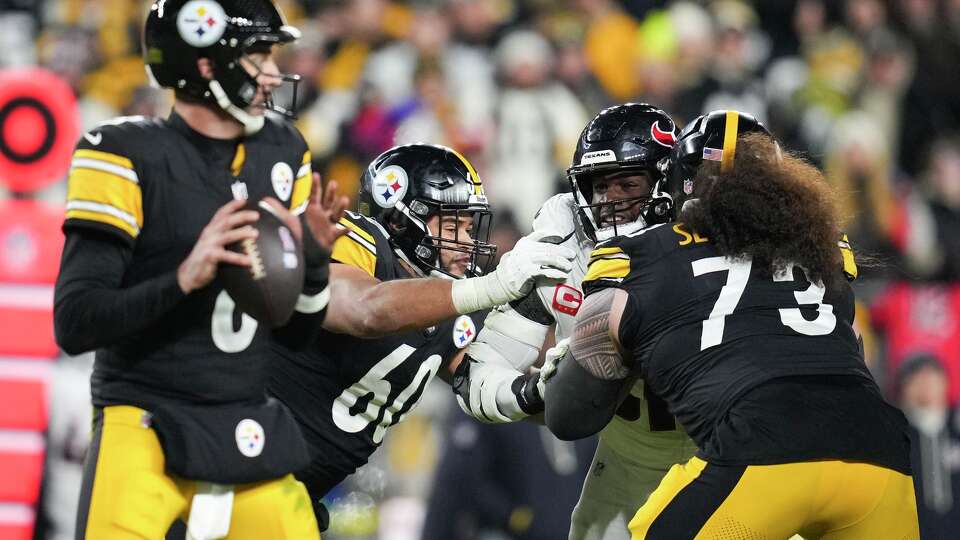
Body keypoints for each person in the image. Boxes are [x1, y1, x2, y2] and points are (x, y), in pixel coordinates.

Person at [544, 110, 920, 539]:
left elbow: (569, 415)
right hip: (880, 453)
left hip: (764, 446)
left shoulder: (640, 254)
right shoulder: (826, 251)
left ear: (681, 181)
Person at [53, 1, 347, 538]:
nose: (276, 73)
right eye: (259, 55)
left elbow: (299, 332)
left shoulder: (283, 152)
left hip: (247, 422)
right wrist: (184, 277)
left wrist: (312, 263)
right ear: (207, 64)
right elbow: (76, 324)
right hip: (143, 421)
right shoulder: (121, 153)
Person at [267, 143, 575, 528]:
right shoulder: (358, 240)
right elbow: (366, 308)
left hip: (299, 495)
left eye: (468, 226)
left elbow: (483, 385)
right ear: (398, 221)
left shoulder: (449, 303)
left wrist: (570, 391)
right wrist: (497, 284)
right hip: (242, 460)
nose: (465, 241)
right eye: (451, 225)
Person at [452, 103, 696, 540]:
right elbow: (480, 373)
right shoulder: (562, 243)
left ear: (669, 179)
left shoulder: (717, 230)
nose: (614, 201)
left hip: (725, 448)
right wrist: (531, 393)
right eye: (602, 186)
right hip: (631, 456)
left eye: (629, 183)